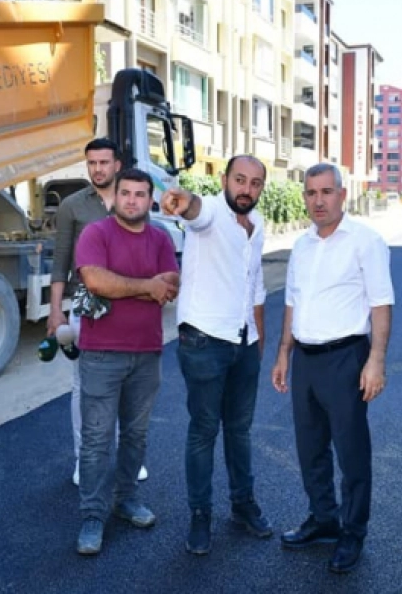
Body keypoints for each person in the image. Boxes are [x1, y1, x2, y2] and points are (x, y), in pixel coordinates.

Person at [271, 163, 394, 574]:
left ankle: (352, 531)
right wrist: (284, 351)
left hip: (346, 358)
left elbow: (380, 303)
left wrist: (375, 360)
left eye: (326, 191)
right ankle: (324, 519)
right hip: (305, 357)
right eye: (311, 193)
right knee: (310, 449)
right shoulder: (302, 245)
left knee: (351, 451)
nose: (318, 200)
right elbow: (292, 301)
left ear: (342, 195)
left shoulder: (366, 241)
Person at [159, 155, 271, 556]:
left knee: (240, 431)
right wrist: (181, 200)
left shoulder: (258, 226)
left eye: (255, 183)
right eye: (240, 180)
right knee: (204, 430)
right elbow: (194, 209)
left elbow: (255, 286)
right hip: (204, 340)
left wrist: (260, 341)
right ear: (224, 179)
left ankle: (243, 506)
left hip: (245, 343)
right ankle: (200, 515)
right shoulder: (210, 214)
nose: (247, 189)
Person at [73, 168, 180, 556]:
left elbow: (170, 284)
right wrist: (146, 287)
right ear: (114, 197)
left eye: (140, 194)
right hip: (102, 352)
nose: (132, 200)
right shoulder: (95, 234)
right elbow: (97, 282)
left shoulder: (161, 237)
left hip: (147, 352)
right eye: (126, 193)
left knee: (135, 436)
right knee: (98, 438)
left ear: (150, 199)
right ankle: (92, 515)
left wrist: (136, 287)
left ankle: (126, 499)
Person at [47, 138, 148, 487]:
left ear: (117, 165)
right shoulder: (72, 206)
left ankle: (127, 461)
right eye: (92, 163)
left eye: (104, 162)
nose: (98, 169)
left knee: (128, 386)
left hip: (129, 309)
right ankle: (83, 459)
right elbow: (60, 262)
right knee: (83, 388)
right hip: (85, 309)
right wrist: (55, 312)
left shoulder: (132, 201)